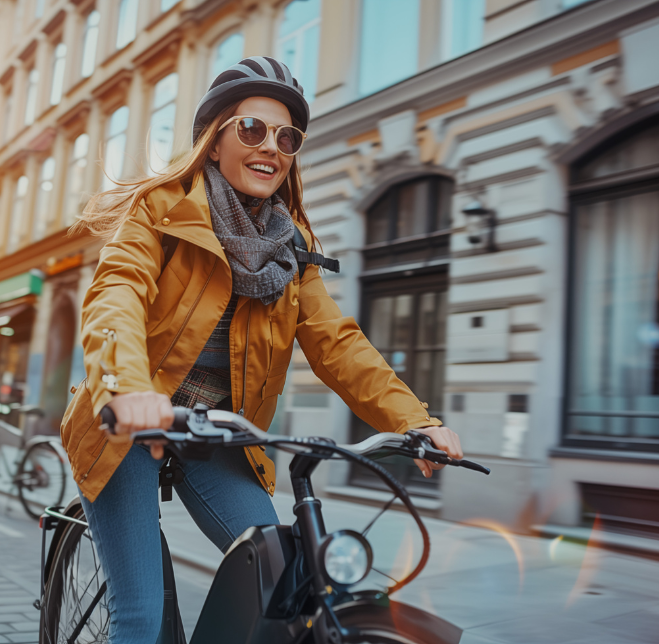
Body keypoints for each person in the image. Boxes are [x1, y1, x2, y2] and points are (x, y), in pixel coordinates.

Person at [61, 56, 465, 644]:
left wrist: (415, 422)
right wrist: (130, 389)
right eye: (252, 129)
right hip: (128, 423)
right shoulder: (161, 209)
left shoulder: (291, 248)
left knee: (284, 580)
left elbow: (337, 344)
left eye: (287, 137)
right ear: (215, 138)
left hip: (217, 435)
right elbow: (115, 296)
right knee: (141, 617)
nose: (270, 147)